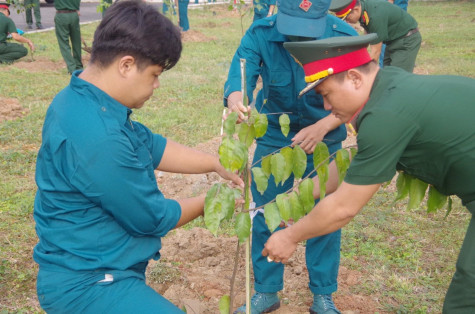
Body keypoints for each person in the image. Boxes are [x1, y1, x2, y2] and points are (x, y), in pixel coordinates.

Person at [33, 1, 244, 312]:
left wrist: (214, 163)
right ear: (126, 65)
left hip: (95, 267)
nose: (156, 85)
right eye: (155, 74)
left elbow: (151, 145)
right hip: (89, 283)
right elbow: (152, 218)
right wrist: (214, 200)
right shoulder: (98, 136)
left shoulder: (81, 99)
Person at [262, 33, 475, 313]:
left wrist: (289, 237)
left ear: (354, 78)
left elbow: (344, 207)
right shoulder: (391, 87)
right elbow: (358, 167)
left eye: (326, 94)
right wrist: (296, 197)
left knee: (467, 297)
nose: (326, 107)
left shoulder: (384, 117)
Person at [223, 0, 357, 312]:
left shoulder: (344, 35)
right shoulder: (261, 33)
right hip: (274, 133)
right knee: (265, 209)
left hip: (325, 135)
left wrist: (324, 125)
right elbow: (240, 76)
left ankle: (323, 294)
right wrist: (236, 98)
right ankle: (266, 290)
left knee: (326, 211)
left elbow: (361, 91)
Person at [330, 0, 421, 72]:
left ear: (356, 10)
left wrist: (364, 72)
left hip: (406, 40)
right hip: (393, 41)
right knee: (387, 74)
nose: (347, 22)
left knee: (399, 77)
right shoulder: (363, 9)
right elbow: (367, 36)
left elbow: (376, 51)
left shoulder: (374, 16)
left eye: (347, 18)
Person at [54, 0, 82, 74]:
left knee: (64, 43)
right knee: (76, 41)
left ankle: (72, 68)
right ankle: (79, 66)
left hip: (61, 15)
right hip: (74, 14)